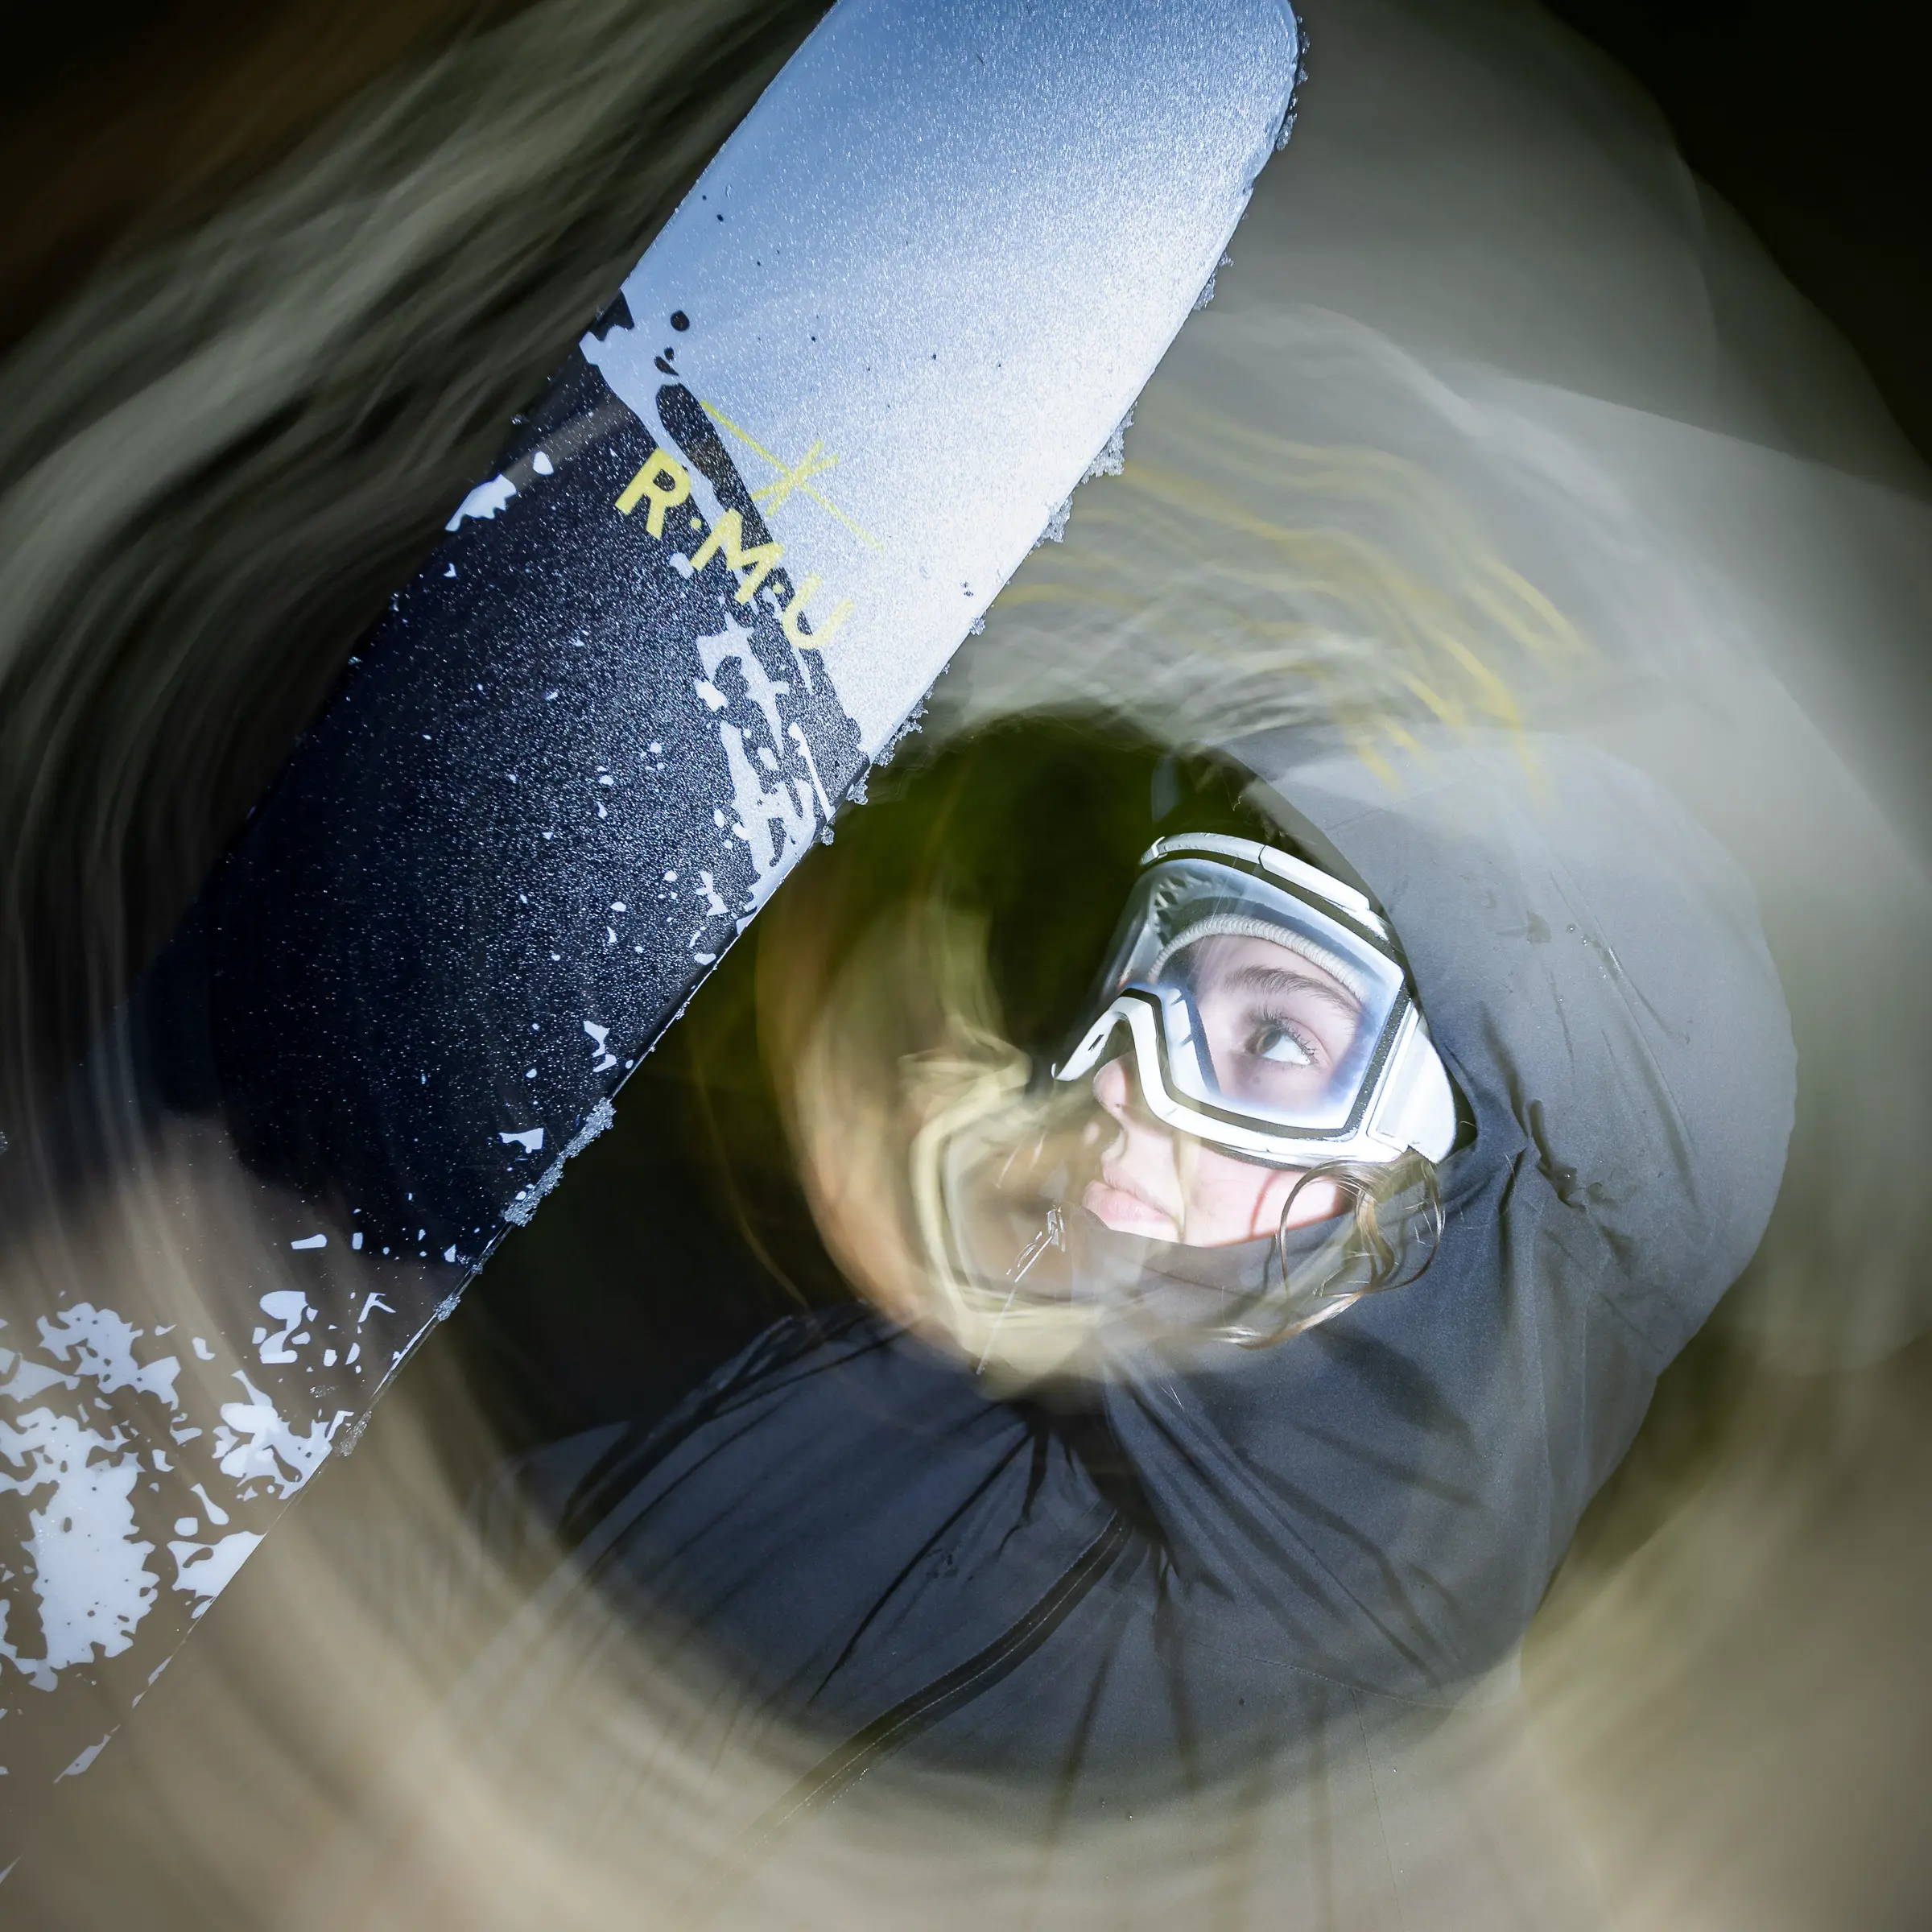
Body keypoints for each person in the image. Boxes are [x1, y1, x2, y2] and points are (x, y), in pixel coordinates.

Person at [439, 721, 1794, 1918]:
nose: (1125, 1079)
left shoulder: (1375, 1869)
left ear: (1460, 1217)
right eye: (1161, 987)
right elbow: (512, 1595)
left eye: (1274, 1040)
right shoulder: (899, 1380)